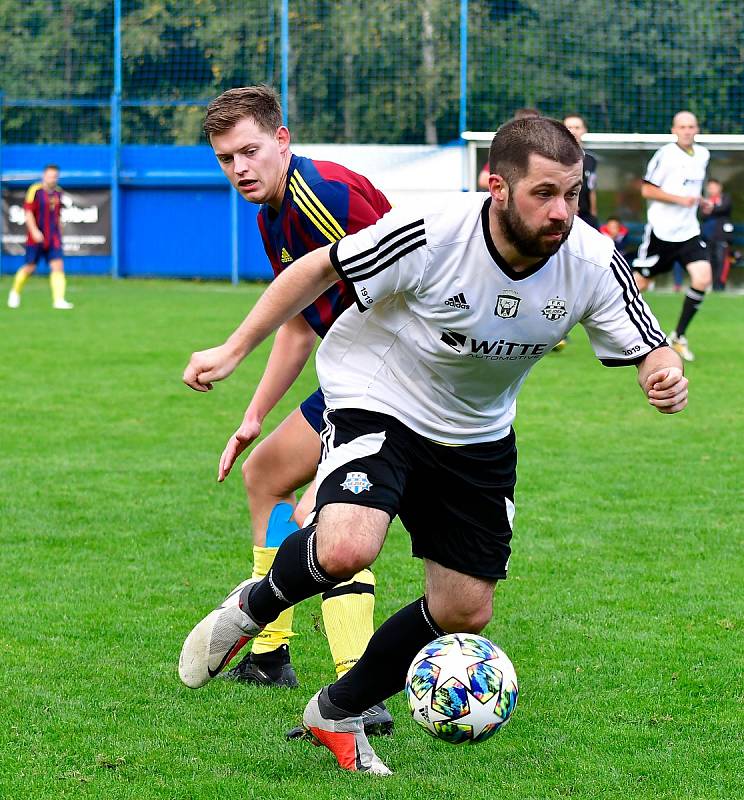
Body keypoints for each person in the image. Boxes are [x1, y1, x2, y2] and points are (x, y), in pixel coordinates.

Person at [179, 117, 688, 776]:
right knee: (345, 546)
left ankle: (336, 710)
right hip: (378, 394)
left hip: (476, 431)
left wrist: (662, 374)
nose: (561, 211)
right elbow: (317, 269)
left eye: (571, 193)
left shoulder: (590, 260)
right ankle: (254, 606)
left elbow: (651, 345)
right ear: (495, 185)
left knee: (464, 610)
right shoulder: (434, 233)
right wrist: (233, 348)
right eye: (543, 194)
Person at [197, 85, 394, 735]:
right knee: (264, 476)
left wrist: (345, 448)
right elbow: (299, 324)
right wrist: (252, 417)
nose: (240, 168)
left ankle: (360, 686)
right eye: (227, 158)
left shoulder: (324, 198)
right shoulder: (272, 215)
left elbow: (399, 305)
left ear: (283, 140)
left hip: (400, 375)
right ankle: (269, 652)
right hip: (352, 372)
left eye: (250, 150)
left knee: (327, 516)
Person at [632, 111, 711, 362]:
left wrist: (701, 203)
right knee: (637, 286)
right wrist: (680, 200)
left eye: (691, 126)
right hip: (661, 233)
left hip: (688, 232)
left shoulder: (703, 154)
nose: (687, 131)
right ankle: (610, 328)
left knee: (702, 278)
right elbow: (646, 189)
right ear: (673, 130)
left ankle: (678, 337)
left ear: (697, 129)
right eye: (682, 127)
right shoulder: (665, 154)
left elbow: (691, 190)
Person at [7, 164, 73, 310]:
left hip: (53, 237)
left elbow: (58, 215)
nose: (52, 179)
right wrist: (35, 231)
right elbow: (28, 212)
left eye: (55, 176)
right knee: (30, 267)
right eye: (50, 176)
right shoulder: (35, 191)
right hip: (36, 237)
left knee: (58, 266)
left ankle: (59, 300)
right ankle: (14, 293)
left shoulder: (59, 193)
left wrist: (60, 229)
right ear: (44, 176)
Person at [477, 107, 541, 190]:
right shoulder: (506, 152)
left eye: (536, 126)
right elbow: (483, 179)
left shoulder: (544, 152)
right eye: (528, 126)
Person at [563, 114, 598, 229]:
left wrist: (593, 214)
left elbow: (591, 188)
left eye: (577, 127)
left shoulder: (590, 160)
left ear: (584, 130)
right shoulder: (555, 158)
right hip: (564, 214)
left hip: (585, 216)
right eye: (569, 127)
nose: (573, 131)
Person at [700, 178, 733, 291]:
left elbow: (724, 208)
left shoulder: (725, 198)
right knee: (709, 261)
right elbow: (703, 215)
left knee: (721, 260)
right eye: (709, 187)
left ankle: (719, 286)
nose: (711, 189)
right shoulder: (706, 200)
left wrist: (712, 208)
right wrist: (710, 208)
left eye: (713, 186)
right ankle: (710, 284)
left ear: (719, 187)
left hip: (721, 236)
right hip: (708, 237)